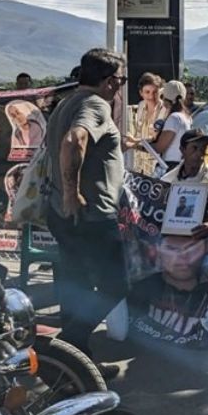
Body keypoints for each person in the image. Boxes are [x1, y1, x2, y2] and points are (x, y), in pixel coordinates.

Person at [45, 48, 128, 378]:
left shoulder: (66, 102)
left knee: (75, 287)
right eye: (120, 81)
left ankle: (72, 368)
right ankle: (63, 346)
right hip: (90, 216)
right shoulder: (94, 104)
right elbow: (73, 141)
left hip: (64, 215)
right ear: (108, 81)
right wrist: (72, 192)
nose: (120, 87)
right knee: (115, 286)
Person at [135, 80, 192, 171]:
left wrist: (135, 146)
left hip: (169, 167)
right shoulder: (186, 117)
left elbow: (159, 148)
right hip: (179, 166)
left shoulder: (174, 118)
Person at [131, 72, 167, 175]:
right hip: (138, 161)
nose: (151, 96)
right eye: (147, 92)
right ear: (141, 93)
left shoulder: (164, 109)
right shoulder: (140, 106)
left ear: (160, 92)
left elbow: (157, 137)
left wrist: (135, 141)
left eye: (155, 92)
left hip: (156, 162)